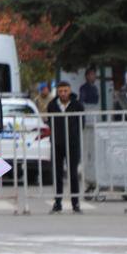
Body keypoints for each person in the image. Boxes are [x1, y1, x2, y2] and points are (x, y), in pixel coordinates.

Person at [45, 80, 85, 213]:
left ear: (70, 90)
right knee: (57, 173)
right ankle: (57, 202)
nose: (63, 93)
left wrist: (74, 135)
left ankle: (75, 203)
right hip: (57, 143)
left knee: (73, 173)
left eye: (65, 91)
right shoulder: (52, 105)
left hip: (72, 144)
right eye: (61, 91)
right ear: (57, 91)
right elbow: (50, 122)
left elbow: (81, 123)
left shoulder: (77, 105)